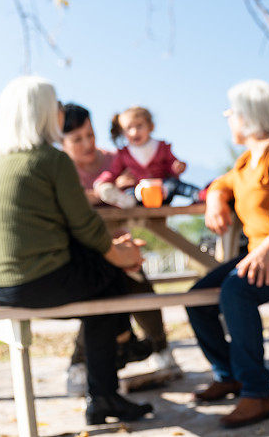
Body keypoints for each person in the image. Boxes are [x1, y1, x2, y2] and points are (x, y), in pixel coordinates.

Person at [0, 77, 153, 425]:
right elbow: (85, 225)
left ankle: (114, 366)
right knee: (111, 280)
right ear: (40, 112)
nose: (59, 111)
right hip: (31, 283)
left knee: (103, 284)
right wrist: (120, 255)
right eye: (54, 105)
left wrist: (111, 250)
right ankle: (107, 388)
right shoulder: (50, 160)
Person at [186, 79, 269, 429]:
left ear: (249, 115)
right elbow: (222, 182)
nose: (227, 117)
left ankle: (259, 393)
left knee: (236, 290)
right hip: (259, 255)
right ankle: (231, 376)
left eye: (231, 112)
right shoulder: (245, 160)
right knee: (197, 299)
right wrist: (214, 197)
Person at [61, 103, 181, 397]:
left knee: (134, 276)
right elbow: (66, 202)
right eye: (77, 139)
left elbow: (145, 181)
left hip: (121, 247)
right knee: (106, 286)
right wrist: (103, 193)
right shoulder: (60, 168)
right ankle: (82, 362)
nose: (88, 144)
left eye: (90, 134)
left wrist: (131, 186)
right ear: (62, 142)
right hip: (83, 254)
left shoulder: (115, 158)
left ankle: (157, 348)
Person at [94, 106, 199, 207]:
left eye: (139, 126)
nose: (134, 132)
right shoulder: (123, 154)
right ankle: (126, 201)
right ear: (123, 132)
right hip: (139, 192)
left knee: (174, 184)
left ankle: (199, 195)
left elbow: (172, 163)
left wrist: (177, 166)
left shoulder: (162, 147)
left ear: (150, 126)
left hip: (162, 190)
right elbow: (113, 172)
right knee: (130, 192)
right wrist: (102, 182)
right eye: (128, 128)